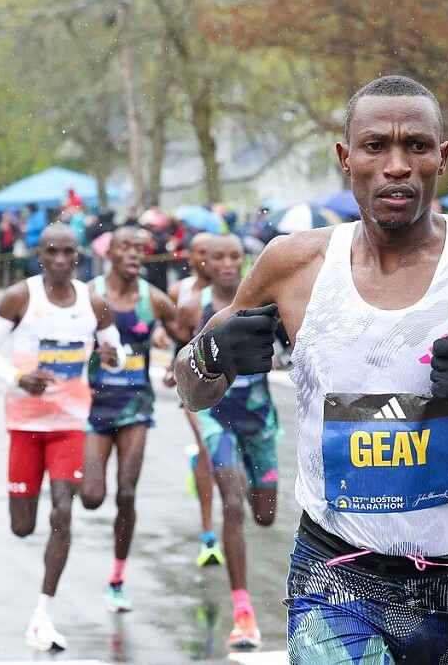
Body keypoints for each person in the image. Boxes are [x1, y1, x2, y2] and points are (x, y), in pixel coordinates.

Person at [175, 75, 448, 664]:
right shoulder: (293, 264)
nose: (397, 166)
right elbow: (192, 387)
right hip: (333, 569)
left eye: (417, 146)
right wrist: (210, 355)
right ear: (346, 158)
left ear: (443, 157)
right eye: (376, 146)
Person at [0, 223, 123, 651]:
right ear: (39, 256)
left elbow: (116, 355)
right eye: (52, 252)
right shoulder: (20, 297)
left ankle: (43, 612)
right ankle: (29, 531)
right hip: (25, 425)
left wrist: (112, 357)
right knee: (22, 526)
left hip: (69, 425)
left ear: (78, 256)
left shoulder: (93, 304)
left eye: (67, 252)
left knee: (63, 509)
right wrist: (17, 378)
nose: (60, 260)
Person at [178, 232, 283, 650]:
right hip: (216, 418)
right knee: (233, 504)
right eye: (217, 257)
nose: (226, 264)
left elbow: (296, 347)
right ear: (204, 262)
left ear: (245, 260)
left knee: (265, 515)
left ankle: (201, 469)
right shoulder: (195, 307)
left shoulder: (271, 301)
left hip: (259, 420)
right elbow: (184, 364)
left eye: (234, 256)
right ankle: (243, 612)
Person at [79, 226, 191, 613]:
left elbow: (185, 337)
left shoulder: (154, 300)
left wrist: (176, 364)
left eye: (139, 249)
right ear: (109, 253)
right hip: (93, 404)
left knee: (127, 492)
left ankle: (117, 578)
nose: (133, 255)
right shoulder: (88, 295)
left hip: (136, 406)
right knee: (92, 497)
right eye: (125, 248)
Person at [166, 231, 224, 568]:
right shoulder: (181, 293)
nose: (205, 259)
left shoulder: (238, 291)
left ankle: (202, 469)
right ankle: (208, 535)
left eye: (210, 252)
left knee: (224, 456)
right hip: (194, 386)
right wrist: (171, 362)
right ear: (190, 257)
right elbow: (178, 337)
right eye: (200, 252)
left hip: (229, 388)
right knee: (206, 445)